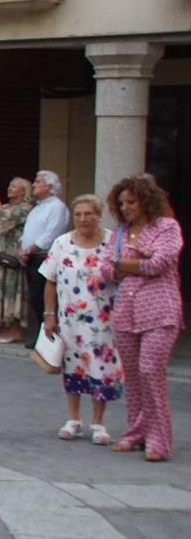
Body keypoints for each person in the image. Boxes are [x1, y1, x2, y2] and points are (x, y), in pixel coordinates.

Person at [102, 175, 183, 462]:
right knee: (134, 377)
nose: (125, 208)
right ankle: (136, 431)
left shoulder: (166, 227)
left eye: (131, 202)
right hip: (126, 311)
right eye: (121, 203)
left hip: (160, 310)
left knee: (150, 370)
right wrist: (134, 261)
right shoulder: (119, 233)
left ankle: (158, 438)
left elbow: (160, 263)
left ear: (146, 200)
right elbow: (106, 270)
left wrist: (125, 263)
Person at [40, 194, 121, 444]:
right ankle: (73, 419)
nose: (83, 219)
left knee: (102, 368)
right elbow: (50, 281)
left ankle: (99, 422)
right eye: (78, 214)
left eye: (88, 214)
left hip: (103, 319)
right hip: (70, 319)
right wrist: (49, 314)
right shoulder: (62, 243)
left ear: (98, 215)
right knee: (73, 366)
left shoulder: (111, 242)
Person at [0, 177, 33, 343]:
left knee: (11, 291)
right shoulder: (6, 207)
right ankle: (4, 328)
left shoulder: (26, 209)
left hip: (12, 257)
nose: (10, 188)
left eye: (14, 186)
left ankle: (14, 330)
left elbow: (6, 221)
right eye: (9, 185)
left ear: (24, 191)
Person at [21, 171, 71, 347]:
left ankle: (48, 335)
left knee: (43, 297)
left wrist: (30, 249)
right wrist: (22, 247)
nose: (34, 185)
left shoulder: (57, 207)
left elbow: (51, 234)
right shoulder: (38, 207)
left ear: (49, 186)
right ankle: (41, 333)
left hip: (44, 257)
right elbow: (29, 232)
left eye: (38, 182)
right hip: (32, 257)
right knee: (35, 297)